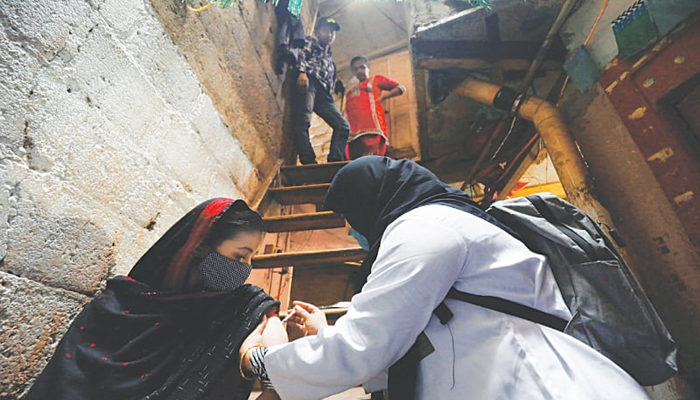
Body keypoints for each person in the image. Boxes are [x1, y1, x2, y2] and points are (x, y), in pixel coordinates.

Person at [239, 157, 652, 400]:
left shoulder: (425, 228)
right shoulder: (440, 227)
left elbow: (368, 346)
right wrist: (324, 334)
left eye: (349, 220)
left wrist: (259, 362)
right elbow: (411, 349)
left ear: (372, 202)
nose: (351, 232)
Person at [24, 198, 287, 400]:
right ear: (200, 247)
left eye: (251, 258)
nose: (247, 268)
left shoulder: (243, 306)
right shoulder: (122, 302)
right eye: (240, 256)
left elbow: (280, 372)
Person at [292, 17, 350, 165]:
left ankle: (335, 159)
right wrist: (302, 72)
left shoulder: (330, 59)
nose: (329, 34)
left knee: (342, 126)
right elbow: (301, 55)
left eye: (332, 32)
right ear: (317, 31)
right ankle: (308, 160)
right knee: (304, 120)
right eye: (325, 30)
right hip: (310, 82)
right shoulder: (311, 42)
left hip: (325, 94)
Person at [344, 56, 405, 160]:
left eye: (362, 67)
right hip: (353, 131)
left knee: (373, 158)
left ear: (368, 68)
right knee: (354, 160)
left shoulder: (375, 80)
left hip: (371, 125)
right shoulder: (351, 90)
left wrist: (383, 98)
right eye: (356, 69)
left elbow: (400, 88)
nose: (359, 71)